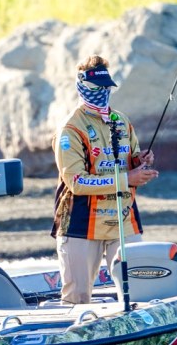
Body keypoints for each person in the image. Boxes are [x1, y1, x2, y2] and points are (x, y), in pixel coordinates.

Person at [51, 55, 159, 304]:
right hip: (80, 224)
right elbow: (76, 182)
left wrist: (139, 160)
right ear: (81, 88)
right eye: (96, 89)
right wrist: (127, 178)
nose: (102, 93)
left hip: (123, 220)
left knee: (138, 293)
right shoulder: (70, 129)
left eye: (106, 88)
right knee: (77, 298)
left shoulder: (122, 121)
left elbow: (129, 157)